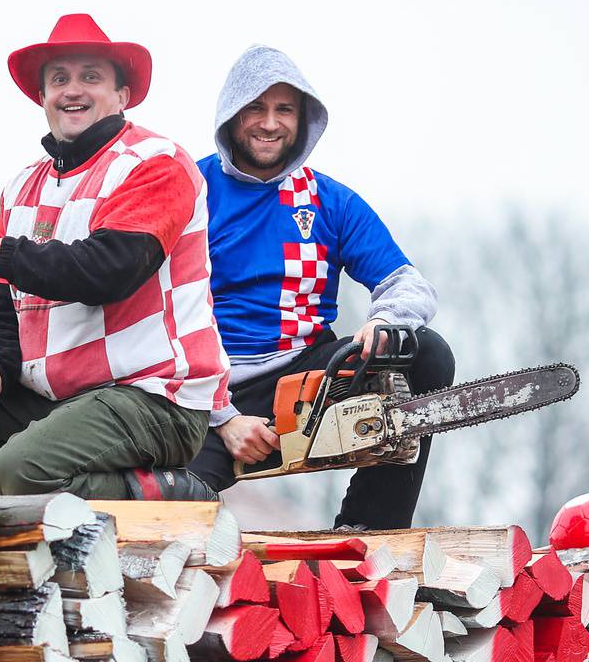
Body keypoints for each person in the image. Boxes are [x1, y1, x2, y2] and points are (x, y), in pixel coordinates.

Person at [0, 13, 229, 500]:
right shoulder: (22, 186)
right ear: (42, 97)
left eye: (91, 77)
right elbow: (1, 309)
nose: (72, 90)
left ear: (122, 96)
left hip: (152, 398)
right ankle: (4, 496)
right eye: (59, 79)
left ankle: (160, 491)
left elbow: (109, 271)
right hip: (61, 400)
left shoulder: (156, 163)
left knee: (20, 469)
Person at [188, 45, 453, 528]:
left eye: (284, 109)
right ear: (230, 114)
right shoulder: (189, 189)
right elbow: (150, 314)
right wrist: (220, 417)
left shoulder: (330, 201)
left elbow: (408, 285)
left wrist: (385, 321)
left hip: (306, 379)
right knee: (171, 500)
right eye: (256, 107)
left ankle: (368, 531)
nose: (270, 123)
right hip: (204, 388)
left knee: (425, 352)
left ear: (303, 118)